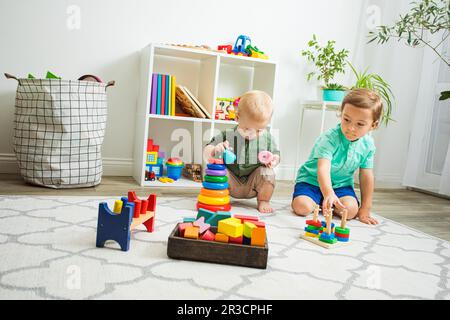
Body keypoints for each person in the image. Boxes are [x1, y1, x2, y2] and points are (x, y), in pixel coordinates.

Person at [292, 88, 381, 225]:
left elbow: (366, 175)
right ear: (341, 114)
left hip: (341, 186)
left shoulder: (368, 145)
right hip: (312, 182)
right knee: (301, 207)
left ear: (372, 126)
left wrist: (365, 208)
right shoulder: (329, 138)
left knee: (351, 211)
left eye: (360, 124)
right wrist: (328, 193)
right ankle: (322, 200)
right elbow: (323, 168)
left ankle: (326, 203)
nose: (351, 128)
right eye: (347, 119)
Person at [204, 90, 280, 213]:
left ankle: (264, 200)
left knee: (267, 173)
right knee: (215, 170)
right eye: (247, 129)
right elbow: (207, 149)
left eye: (259, 130)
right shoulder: (227, 134)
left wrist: (274, 160)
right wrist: (214, 150)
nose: (252, 134)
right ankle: (219, 198)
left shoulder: (267, 138)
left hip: (253, 184)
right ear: (237, 117)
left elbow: (276, 154)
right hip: (229, 184)